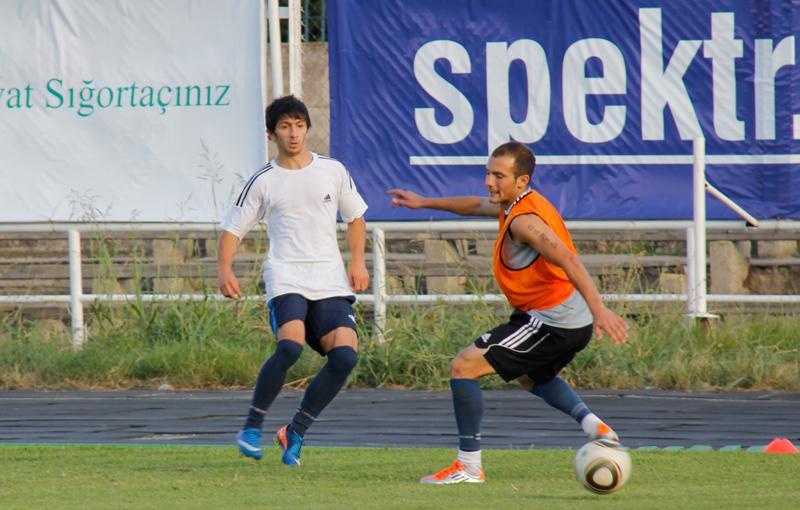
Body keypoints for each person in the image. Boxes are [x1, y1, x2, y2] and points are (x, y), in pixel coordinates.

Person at [389, 141, 629, 484]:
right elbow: (476, 205)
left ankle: (468, 466)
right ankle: (596, 427)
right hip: (561, 316)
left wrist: (600, 308)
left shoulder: (524, 221)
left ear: (522, 180)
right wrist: (424, 202)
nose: (489, 182)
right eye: (488, 173)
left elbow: (568, 259)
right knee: (531, 377)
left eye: (498, 176)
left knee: (463, 366)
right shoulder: (517, 203)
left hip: (553, 320)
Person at [218, 95, 369, 466]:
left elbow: (355, 217)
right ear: (272, 134)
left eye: (299, 125)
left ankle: (295, 430)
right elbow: (233, 229)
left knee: (345, 356)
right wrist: (225, 270)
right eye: (285, 126)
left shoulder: (332, 170)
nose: (293, 133)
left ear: (307, 129)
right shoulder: (263, 181)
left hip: (329, 278)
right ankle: (252, 427)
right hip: (286, 275)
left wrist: (358, 262)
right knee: (290, 348)